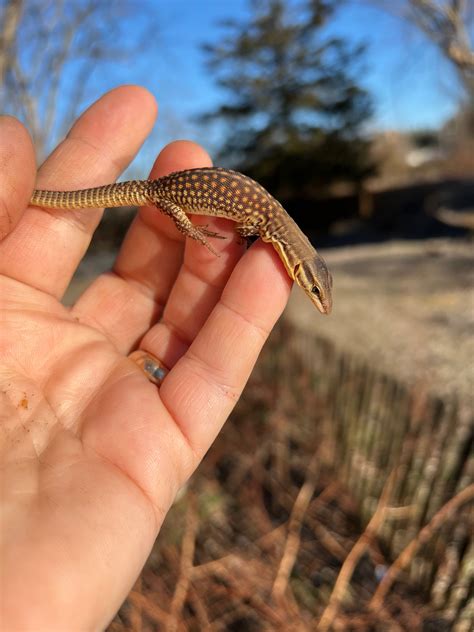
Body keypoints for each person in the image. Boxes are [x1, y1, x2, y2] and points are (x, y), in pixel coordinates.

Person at [0, 86, 291, 629]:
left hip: (171, 190)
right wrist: (189, 228)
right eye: (314, 294)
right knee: (69, 195)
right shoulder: (265, 223)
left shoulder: (270, 224)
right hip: (169, 193)